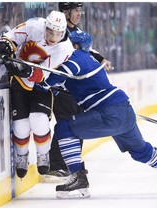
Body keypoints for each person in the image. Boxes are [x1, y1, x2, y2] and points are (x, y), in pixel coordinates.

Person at [35, 31, 157, 199]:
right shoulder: (87, 58)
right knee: (141, 151)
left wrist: (30, 75)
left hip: (109, 113)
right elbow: (67, 82)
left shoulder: (76, 58)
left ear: (74, 46)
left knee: (64, 128)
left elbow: (47, 82)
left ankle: (79, 179)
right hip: (123, 110)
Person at [0, 10, 74, 178]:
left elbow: (41, 75)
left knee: (39, 121)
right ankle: (21, 155)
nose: (53, 36)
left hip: (41, 86)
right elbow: (11, 37)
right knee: (21, 127)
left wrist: (21, 67)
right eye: (50, 31)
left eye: (57, 33)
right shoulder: (34, 25)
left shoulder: (65, 48)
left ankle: (43, 153)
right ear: (45, 26)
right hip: (19, 83)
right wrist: (4, 47)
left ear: (63, 32)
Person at [44, 2, 112, 180]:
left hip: (73, 87)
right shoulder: (59, 31)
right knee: (67, 122)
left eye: (80, 10)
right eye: (76, 10)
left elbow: (87, 49)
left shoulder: (75, 30)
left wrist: (100, 58)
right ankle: (56, 165)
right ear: (65, 12)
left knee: (77, 122)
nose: (79, 13)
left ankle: (71, 163)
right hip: (61, 86)